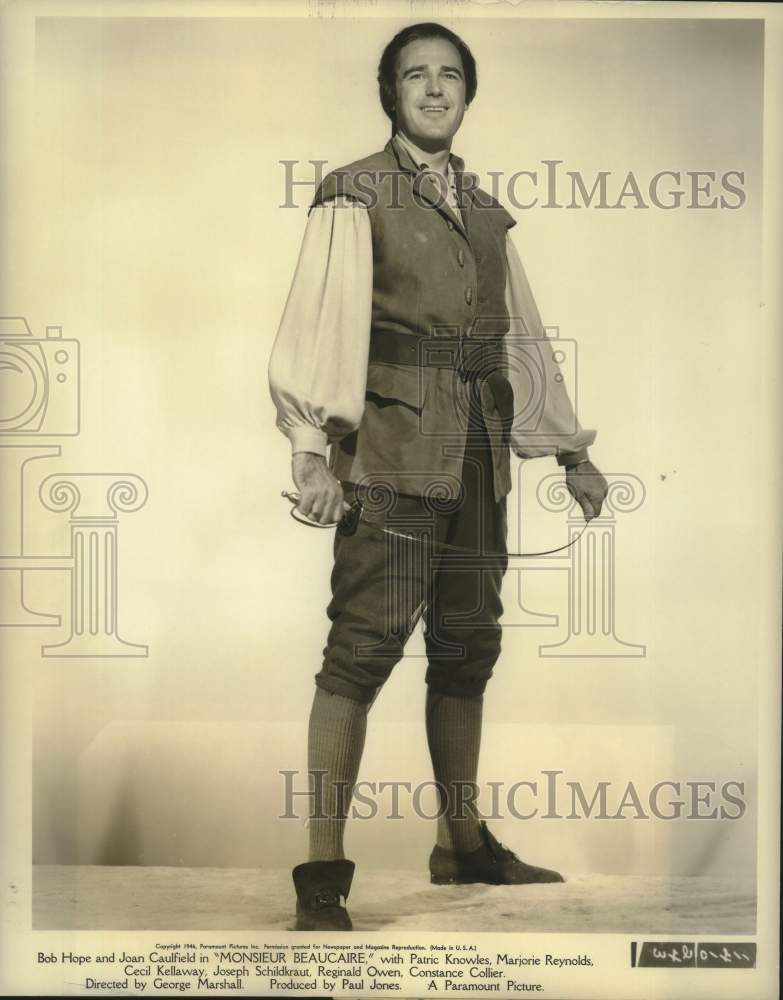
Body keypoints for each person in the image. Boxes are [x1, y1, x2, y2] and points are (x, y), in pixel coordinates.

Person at [269, 21, 608, 931]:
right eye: (414, 75)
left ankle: (462, 847)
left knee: (466, 649)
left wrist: (571, 450)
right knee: (360, 652)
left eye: (448, 74)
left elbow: (519, 337)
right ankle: (321, 874)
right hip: (390, 456)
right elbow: (318, 323)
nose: (432, 88)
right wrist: (309, 450)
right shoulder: (353, 194)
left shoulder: (486, 212)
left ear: (467, 91)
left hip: (480, 458)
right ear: (390, 93)